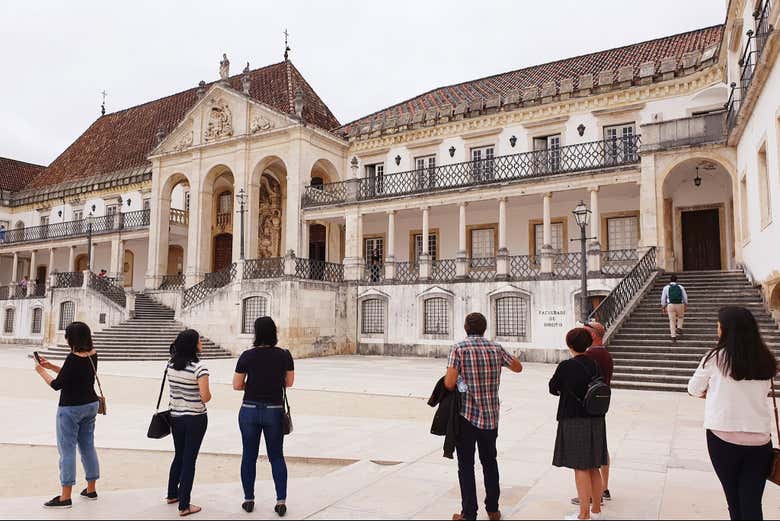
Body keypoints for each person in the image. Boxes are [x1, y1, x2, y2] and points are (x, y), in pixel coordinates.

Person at [688, 306, 777, 521]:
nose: (717, 329)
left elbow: (693, 388)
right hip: (759, 439)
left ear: (727, 329)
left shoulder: (715, 358)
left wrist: (712, 394)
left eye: (719, 325)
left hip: (723, 436)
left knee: (734, 500)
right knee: (752, 501)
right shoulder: (765, 359)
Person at [445, 312, 523, 521]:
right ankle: (493, 509)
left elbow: (450, 383)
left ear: (465, 327)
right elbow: (518, 367)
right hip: (490, 415)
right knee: (490, 461)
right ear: (484, 328)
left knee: (466, 465)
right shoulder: (495, 348)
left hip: (467, 416)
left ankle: (469, 513)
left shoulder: (459, 348)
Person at [34, 322, 100, 509]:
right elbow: (74, 375)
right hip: (91, 405)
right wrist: (52, 366)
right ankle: (91, 489)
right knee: (88, 446)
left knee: (67, 450)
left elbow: (57, 385)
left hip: (71, 409)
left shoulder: (72, 358)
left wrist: (41, 372)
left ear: (71, 339)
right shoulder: (93, 354)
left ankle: (65, 496)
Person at [233, 317, 294, 517]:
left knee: (248, 456)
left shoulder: (247, 356)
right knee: (276, 456)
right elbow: (289, 382)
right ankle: (281, 501)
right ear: (274, 332)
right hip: (274, 410)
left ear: (256, 333)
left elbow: (237, 385)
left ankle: (248, 499)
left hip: (249, 408)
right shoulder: (284, 355)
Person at [550, 328, 609, 521]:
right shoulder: (594, 364)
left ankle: (584, 514)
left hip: (575, 419)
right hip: (596, 418)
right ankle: (597, 510)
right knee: (593, 466)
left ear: (569, 345)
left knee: (581, 468)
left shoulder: (566, 366)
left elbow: (553, 387)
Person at [166, 329, 211, 517]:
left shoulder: (170, 365)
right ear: (193, 345)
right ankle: (184, 504)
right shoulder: (199, 368)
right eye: (199, 341)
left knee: (179, 455)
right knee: (189, 460)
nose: (201, 343)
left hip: (176, 417)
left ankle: (172, 494)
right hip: (195, 418)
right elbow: (205, 397)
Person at [571, 321, 614, 508]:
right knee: (601, 447)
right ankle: (603, 488)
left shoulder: (590, 355)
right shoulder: (604, 353)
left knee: (589, 454)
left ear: (594, 335)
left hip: (587, 408)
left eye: (586, 330)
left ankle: (591, 495)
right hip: (599, 405)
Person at [661, 274, 688, 344]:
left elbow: (663, 298)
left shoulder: (666, 287)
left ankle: (673, 337)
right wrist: (685, 304)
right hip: (680, 304)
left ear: (670, 280)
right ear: (676, 280)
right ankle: (679, 327)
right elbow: (685, 297)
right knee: (680, 317)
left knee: (672, 321)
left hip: (670, 305)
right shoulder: (680, 287)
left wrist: (663, 306)